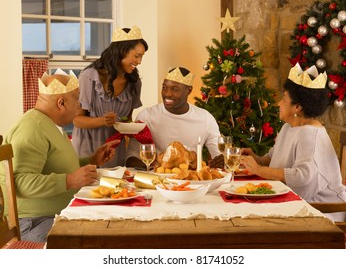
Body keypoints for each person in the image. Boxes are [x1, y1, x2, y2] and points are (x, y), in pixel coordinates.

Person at [0, 70, 119, 243]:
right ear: (61, 102)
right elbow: (20, 182)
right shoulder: (32, 128)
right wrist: (69, 180)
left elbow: (55, 166)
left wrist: (91, 160)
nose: (79, 105)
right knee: (97, 241)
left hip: (52, 215)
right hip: (32, 222)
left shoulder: (49, 124)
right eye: (77, 98)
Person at [240, 63, 346, 221]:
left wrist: (259, 169)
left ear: (297, 107)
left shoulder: (309, 134)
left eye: (283, 99)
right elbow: (272, 157)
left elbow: (302, 176)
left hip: (321, 212)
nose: (278, 104)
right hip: (297, 204)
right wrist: (256, 158)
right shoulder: (289, 127)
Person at [72, 25, 148, 168]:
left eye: (141, 57)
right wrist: (102, 120)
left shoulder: (134, 83)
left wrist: (134, 129)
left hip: (114, 149)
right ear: (121, 52)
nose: (139, 62)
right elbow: (77, 120)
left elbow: (127, 119)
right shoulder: (89, 77)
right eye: (137, 56)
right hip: (87, 148)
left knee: (116, 188)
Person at [126, 66, 224, 169]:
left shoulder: (206, 118)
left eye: (174, 89)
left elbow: (218, 156)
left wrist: (221, 161)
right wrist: (156, 166)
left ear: (189, 90)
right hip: (157, 179)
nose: (167, 94)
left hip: (192, 181)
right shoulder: (146, 116)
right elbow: (131, 158)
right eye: (164, 87)